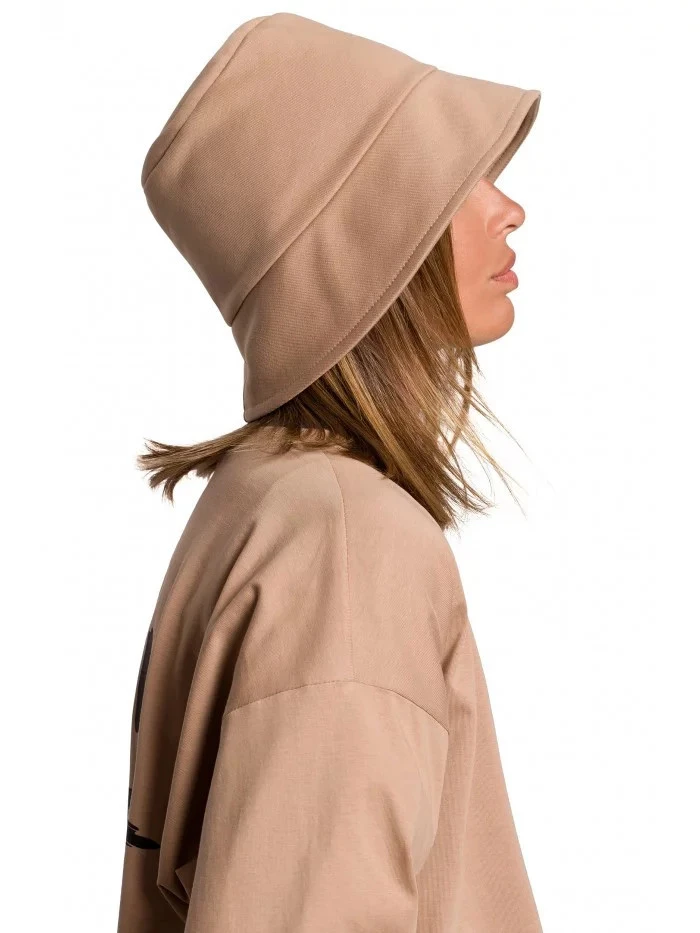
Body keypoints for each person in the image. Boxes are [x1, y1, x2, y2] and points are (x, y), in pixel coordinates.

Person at [116, 12, 543, 933]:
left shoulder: (262, 498)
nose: (509, 208)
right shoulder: (350, 543)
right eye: (459, 180)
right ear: (370, 245)